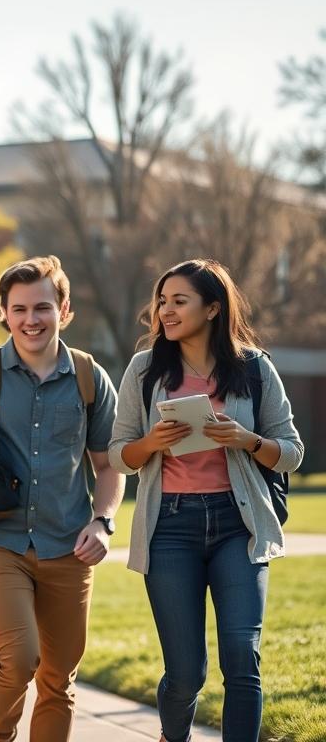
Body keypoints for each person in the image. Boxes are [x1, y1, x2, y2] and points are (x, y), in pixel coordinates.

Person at [0, 255, 122, 741]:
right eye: (19, 309)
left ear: (64, 309)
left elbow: (109, 465)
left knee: (58, 678)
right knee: (20, 659)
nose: (30, 320)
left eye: (42, 308)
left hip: (69, 547)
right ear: (4, 313)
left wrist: (103, 521)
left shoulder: (89, 378)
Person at [108, 259, 303, 742]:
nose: (165, 310)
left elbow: (291, 453)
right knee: (186, 674)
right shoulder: (145, 368)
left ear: (213, 308)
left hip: (239, 524)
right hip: (170, 527)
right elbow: (118, 455)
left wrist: (246, 439)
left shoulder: (254, 367)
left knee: (242, 656)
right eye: (162, 300)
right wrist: (152, 442)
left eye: (179, 301)